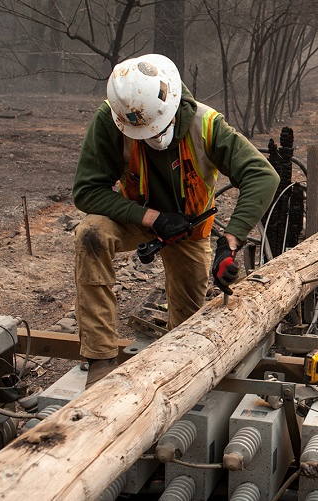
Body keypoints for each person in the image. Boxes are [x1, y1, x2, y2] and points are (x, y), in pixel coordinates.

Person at [72, 54, 280, 388]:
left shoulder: (206, 124)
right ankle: (100, 358)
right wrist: (151, 217)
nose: (151, 136)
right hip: (135, 216)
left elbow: (262, 176)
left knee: (186, 328)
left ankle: (173, 377)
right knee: (91, 234)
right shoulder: (114, 118)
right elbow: (86, 191)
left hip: (190, 230)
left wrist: (230, 241)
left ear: (171, 105)